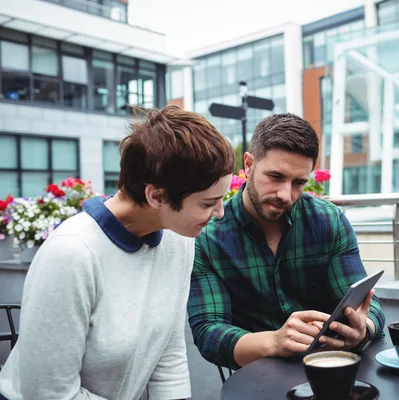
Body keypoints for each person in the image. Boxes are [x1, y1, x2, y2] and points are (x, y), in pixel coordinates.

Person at [0, 106, 234, 400]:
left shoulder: (178, 238)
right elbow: (49, 394)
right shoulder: (72, 254)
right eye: (207, 203)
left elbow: (169, 351)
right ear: (157, 196)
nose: (220, 212)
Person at [187, 113, 386, 370]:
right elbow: (208, 332)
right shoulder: (208, 237)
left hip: (331, 370)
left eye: (299, 182)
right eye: (276, 176)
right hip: (258, 378)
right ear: (249, 164)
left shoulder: (329, 220)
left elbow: (370, 307)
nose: (285, 194)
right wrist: (274, 342)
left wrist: (364, 328)